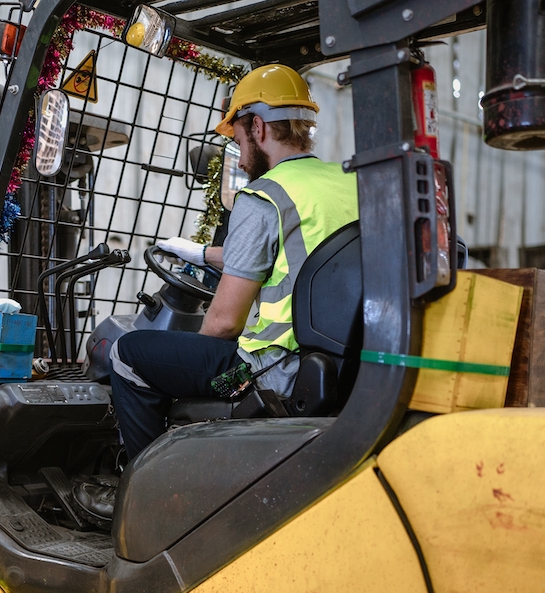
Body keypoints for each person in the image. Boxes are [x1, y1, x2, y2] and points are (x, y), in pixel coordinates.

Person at [106, 63, 360, 476]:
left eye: (239, 142)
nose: (241, 161)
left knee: (128, 354)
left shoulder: (265, 195)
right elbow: (303, 255)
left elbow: (223, 324)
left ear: (258, 127)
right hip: (337, 364)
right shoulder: (344, 184)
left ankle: (151, 490)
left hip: (264, 373)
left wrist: (196, 373)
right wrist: (203, 254)